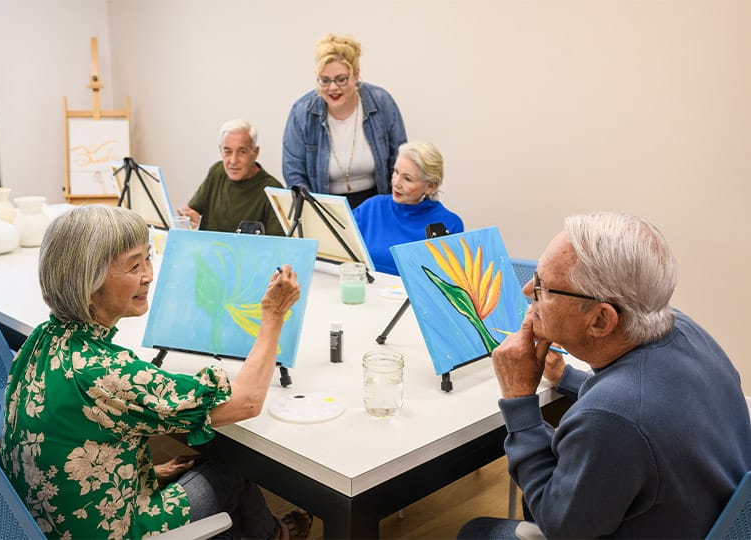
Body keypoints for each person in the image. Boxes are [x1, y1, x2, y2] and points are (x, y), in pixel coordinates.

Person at [0, 205, 312, 540]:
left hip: (44, 521)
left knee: (198, 474)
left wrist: (144, 473)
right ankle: (275, 534)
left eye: (148, 258)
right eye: (134, 265)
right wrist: (273, 315)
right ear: (88, 282)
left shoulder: (43, 338)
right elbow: (246, 402)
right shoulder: (107, 372)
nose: (148, 274)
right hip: (107, 532)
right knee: (230, 473)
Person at [458, 212, 751, 539]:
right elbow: (644, 405)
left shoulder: (613, 418)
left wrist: (519, 398)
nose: (528, 289)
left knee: (479, 531)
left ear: (600, 321)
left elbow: (558, 524)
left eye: (543, 286)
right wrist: (566, 377)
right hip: (704, 518)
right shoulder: (682, 328)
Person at [282, 33, 407, 209]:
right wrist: (316, 214)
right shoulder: (301, 112)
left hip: (378, 205)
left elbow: (400, 162)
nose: (333, 88)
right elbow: (294, 175)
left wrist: (390, 210)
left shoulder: (382, 103)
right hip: (324, 206)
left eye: (341, 79)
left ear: (356, 75)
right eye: (325, 80)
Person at [352, 141, 463, 275]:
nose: (396, 183)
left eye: (408, 179)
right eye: (396, 172)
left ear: (430, 187)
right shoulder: (371, 208)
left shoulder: (449, 224)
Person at [179, 119, 285, 235]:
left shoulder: (273, 190)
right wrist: (187, 215)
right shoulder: (217, 172)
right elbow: (189, 211)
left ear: (255, 152)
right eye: (227, 152)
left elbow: (277, 247)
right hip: (207, 251)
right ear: (220, 150)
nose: (233, 161)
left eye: (242, 152)